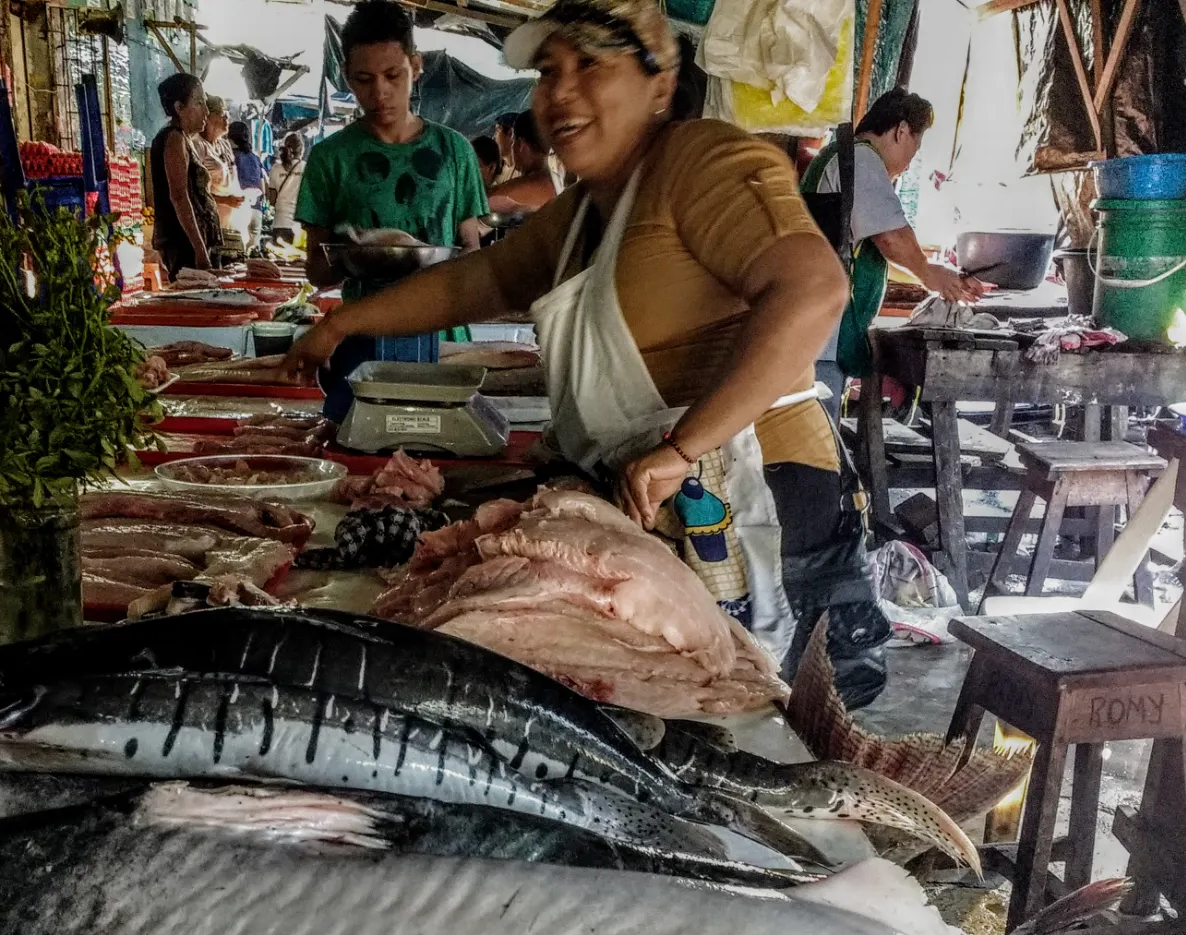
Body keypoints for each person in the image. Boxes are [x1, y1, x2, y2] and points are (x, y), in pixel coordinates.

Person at [286, 0, 855, 677]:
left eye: (591, 65)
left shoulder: (704, 161)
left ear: (661, 83)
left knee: (754, 717)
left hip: (767, 505)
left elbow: (814, 290)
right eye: (550, 69)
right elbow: (478, 282)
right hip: (660, 504)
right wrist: (341, 322)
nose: (562, 92)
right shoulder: (585, 210)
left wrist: (681, 450)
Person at [294, 0, 488, 409]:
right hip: (361, 338)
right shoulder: (330, 158)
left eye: (392, 75)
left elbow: (471, 252)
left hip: (443, 336)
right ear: (347, 75)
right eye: (364, 79)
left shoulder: (454, 151)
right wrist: (358, 254)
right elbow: (316, 271)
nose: (379, 92)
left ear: (416, 67)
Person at [803, 88, 987, 422]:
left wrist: (936, 274)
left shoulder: (838, 158)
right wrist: (929, 272)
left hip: (816, 329)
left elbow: (876, 247)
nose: (909, 163)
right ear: (901, 131)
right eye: (914, 150)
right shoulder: (860, 159)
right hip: (820, 337)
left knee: (816, 430)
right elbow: (891, 238)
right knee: (817, 434)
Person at [150, 73, 221, 278]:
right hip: (183, 244)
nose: (206, 112)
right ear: (179, 108)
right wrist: (199, 249)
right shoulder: (174, 139)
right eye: (199, 104)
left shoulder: (184, 139)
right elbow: (179, 196)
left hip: (190, 242)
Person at [485, 109, 557, 217]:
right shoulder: (563, 179)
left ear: (521, 145)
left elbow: (482, 204)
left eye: (513, 141)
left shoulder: (543, 183)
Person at [267, 131, 308, 244]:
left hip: (280, 223)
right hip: (300, 225)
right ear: (302, 150)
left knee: (278, 260)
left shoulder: (276, 169)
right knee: (298, 260)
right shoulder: (306, 168)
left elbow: (271, 200)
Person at [493, 111, 522, 178]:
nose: (494, 137)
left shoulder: (525, 171)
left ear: (510, 133)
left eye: (497, 131)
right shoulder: (495, 173)